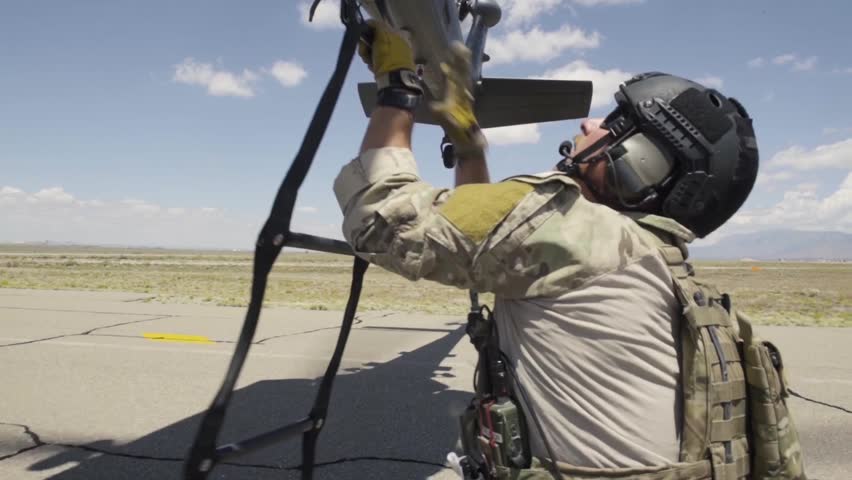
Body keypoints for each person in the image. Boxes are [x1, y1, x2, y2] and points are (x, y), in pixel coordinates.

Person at [335, 23, 805, 480]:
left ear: (645, 165)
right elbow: (486, 253)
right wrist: (468, 145)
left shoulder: (576, 230)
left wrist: (397, 89)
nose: (589, 122)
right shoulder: (653, 260)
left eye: (616, 123)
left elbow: (381, 216)